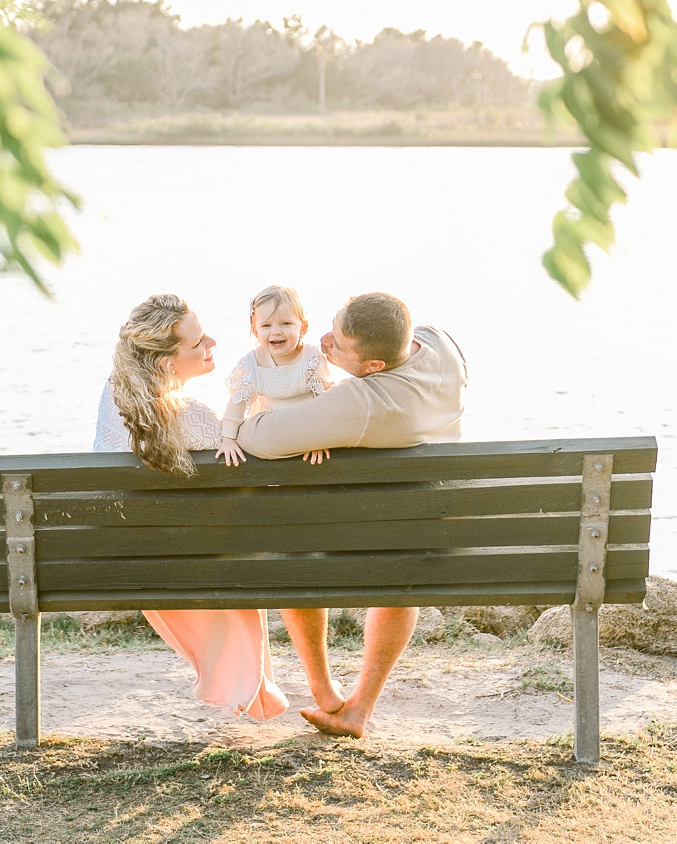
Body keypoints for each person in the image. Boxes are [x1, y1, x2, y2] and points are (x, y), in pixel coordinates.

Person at [236, 291, 466, 739]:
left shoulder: (361, 403)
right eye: (333, 326)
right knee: (402, 576)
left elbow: (257, 438)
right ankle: (357, 708)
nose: (321, 341)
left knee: (295, 550)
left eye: (336, 345)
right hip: (428, 529)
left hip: (363, 535)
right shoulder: (441, 344)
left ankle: (323, 689)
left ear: (373, 367)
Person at [93, 292, 288, 720]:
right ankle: (248, 686)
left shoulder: (116, 397)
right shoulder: (193, 416)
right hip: (187, 563)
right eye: (198, 343)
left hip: (129, 561)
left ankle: (241, 684)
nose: (212, 344)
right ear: (166, 363)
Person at [216, 284, 333, 467]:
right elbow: (236, 404)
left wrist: (318, 437)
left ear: (303, 328)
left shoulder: (312, 358)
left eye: (286, 323)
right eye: (266, 325)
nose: (276, 331)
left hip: (305, 427)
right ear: (255, 331)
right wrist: (228, 439)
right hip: (268, 430)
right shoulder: (252, 363)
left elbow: (323, 401)